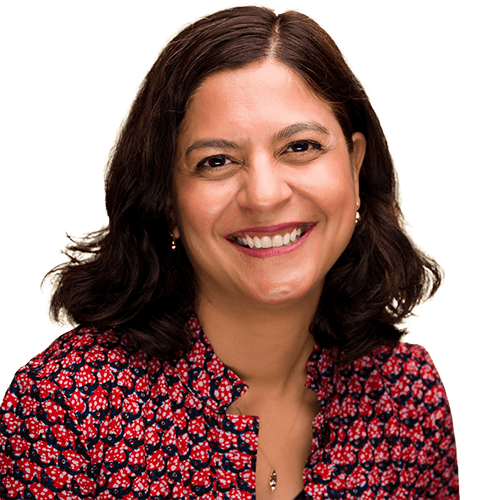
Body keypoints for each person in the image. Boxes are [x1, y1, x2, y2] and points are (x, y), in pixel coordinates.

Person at [0, 4, 459, 500]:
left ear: (354, 167)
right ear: (167, 201)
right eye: (216, 161)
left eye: (300, 147)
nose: (264, 196)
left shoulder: (407, 397)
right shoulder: (66, 406)